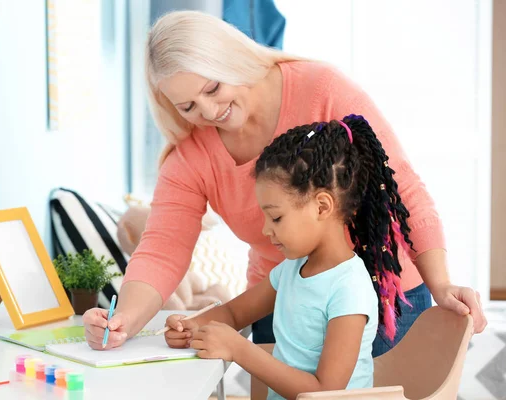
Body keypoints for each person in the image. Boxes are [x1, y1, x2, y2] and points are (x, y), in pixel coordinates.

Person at [82, 10, 487, 356]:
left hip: (382, 294)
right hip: (281, 304)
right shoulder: (189, 155)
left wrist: (442, 283)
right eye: (187, 106)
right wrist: (123, 322)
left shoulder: (320, 90)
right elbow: (162, 248)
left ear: (232, 60)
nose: (208, 111)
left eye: (213, 88)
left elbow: (401, 188)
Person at [164, 115, 409, 399]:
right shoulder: (292, 269)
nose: (266, 230)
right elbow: (234, 313)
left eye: (276, 217)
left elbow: (325, 391)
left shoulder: (349, 288)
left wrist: (240, 350)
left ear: (321, 207)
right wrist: (192, 325)